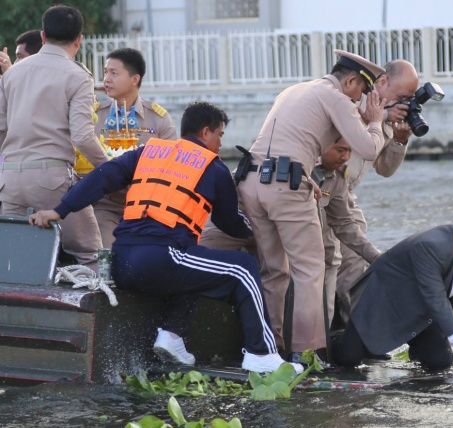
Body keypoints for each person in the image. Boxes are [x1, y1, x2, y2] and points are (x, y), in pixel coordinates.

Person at [28, 101, 303, 375]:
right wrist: (258, 231)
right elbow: (227, 221)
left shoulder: (148, 151)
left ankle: (172, 336)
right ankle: (262, 354)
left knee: (197, 261)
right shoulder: (213, 166)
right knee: (243, 269)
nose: (220, 143)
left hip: (121, 261)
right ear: (206, 132)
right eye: (220, 135)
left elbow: (103, 176)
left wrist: (59, 210)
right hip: (161, 259)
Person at [236, 49, 387, 362]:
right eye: (361, 91)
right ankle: (304, 355)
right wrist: (376, 121)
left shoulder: (293, 90)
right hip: (285, 186)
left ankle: (271, 350)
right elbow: (369, 148)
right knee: (309, 270)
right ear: (349, 81)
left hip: (250, 181)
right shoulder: (336, 98)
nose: (360, 100)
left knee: (274, 271)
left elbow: (290, 141)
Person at [332, 201, 453, 374]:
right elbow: (436, 299)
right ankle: (333, 336)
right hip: (386, 302)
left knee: (439, 361)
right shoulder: (431, 246)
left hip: (423, 311)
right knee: (348, 358)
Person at [0, 5, 109, 269]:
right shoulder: (78, 76)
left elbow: (2, 129)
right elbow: (83, 137)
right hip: (52, 181)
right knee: (89, 254)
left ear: (43, 35)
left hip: (10, 180)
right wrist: (110, 169)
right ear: (79, 40)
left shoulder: (12, 73)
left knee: (12, 264)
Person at [329, 60, 419, 326]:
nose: (403, 104)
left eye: (409, 99)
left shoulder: (386, 115)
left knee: (356, 262)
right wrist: (378, 120)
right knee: (335, 260)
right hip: (323, 189)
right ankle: (335, 332)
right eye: (401, 97)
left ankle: (354, 332)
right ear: (381, 83)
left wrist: (400, 139)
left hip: (345, 195)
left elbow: (385, 169)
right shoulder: (352, 101)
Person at [85, 47, 177, 248]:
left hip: (147, 208)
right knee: (106, 256)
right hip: (106, 205)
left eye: (114, 73)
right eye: (105, 72)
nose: (106, 79)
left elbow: (171, 170)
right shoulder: (94, 116)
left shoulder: (158, 119)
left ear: (135, 79)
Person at [314, 137, 381, 326]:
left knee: (332, 260)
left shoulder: (338, 174)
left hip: (321, 239)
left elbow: (343, 221)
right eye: (340, 150)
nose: (346, 157)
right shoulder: (300, 164)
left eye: (350, 151)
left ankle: (330, 340)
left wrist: (376, 257)